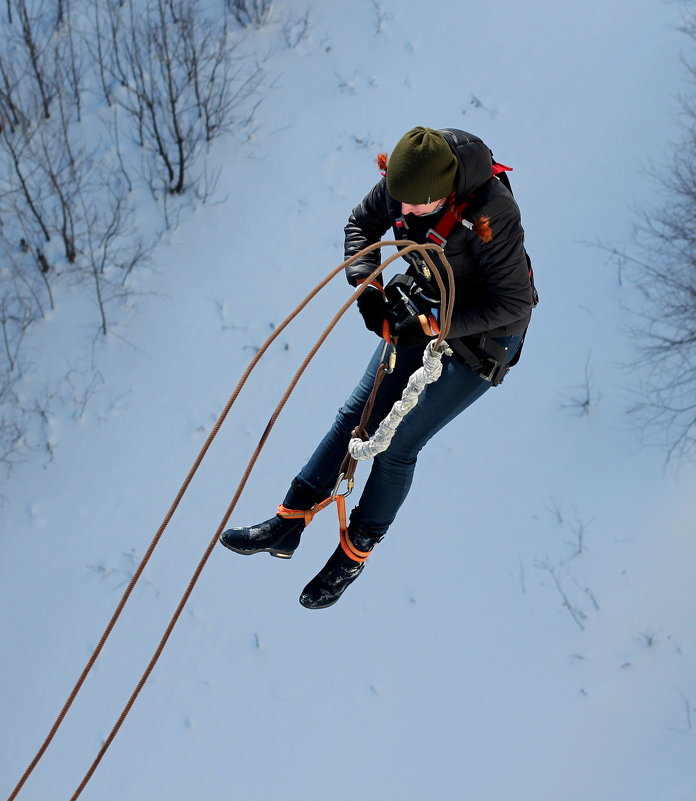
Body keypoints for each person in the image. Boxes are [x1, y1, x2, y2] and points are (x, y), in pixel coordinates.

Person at [220, 126, 535, 609]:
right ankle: (288, 522)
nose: (402, 214)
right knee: (355, 414)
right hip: (426, 302)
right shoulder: (408, 181)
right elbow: (359, 226)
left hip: (484, 337)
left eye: (415, 209)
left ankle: (352, 556)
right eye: (399, 203)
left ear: (447, 192)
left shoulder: (494, 212)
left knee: (397, 447)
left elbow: (513, 302)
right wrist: (370, 292)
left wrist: (433, 326)